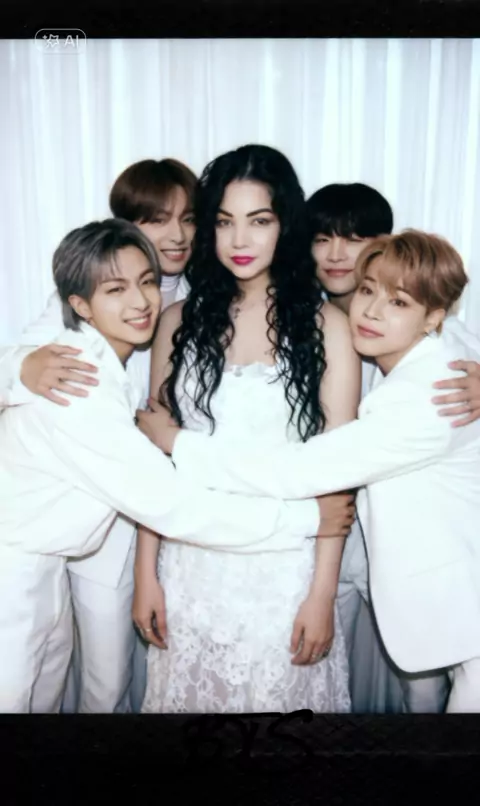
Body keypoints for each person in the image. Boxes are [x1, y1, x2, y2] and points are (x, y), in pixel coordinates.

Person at [0, 217, 340, 714]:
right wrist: (306, 518)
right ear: (80, 306)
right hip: (13, 574)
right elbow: (172, 504)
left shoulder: (99, 362)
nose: (140, 302)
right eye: (115, 289)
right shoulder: (79, 380)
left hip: (41, 570)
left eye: (146, 282)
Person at [150, 229, 480, 713]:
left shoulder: (431, 395)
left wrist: (176, 442)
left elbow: (299, 470)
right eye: (367, 290)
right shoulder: (426, 365)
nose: (371, 311)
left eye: (398, 302)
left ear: (434, 318)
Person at [135, 144, 359, 714]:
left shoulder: (329, 328)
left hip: (284, 574)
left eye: (259, 221)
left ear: (285, 226)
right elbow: (154, 462)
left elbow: (336, 477)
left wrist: (322, 595)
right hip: (190, 566)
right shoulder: (176, 323)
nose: (239, 240)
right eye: (224, 221)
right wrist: (145, 575)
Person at [0, 158, 197, 713]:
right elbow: (24, 357)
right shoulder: (85, 290)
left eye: (188, 218)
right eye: (157, 219)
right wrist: (22, 368)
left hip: (148, 503)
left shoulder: (208, 292)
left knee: (104, 673)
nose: (176, 234)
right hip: (71, 512)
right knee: (52, 670)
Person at [306, 184, 480, 712]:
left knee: (426, 679)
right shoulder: (305, 319)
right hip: (329, 525)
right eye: (322, 238)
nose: (337, 253)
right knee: (330, 665)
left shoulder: (442, 337)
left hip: (419, 539)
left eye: (355, 239)